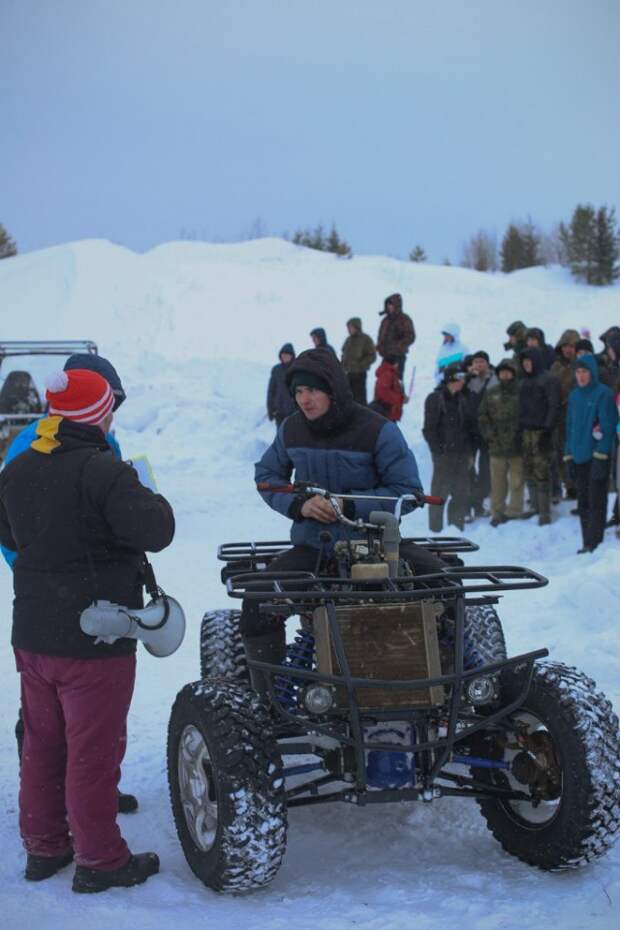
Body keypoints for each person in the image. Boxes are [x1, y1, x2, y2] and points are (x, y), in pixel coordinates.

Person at [0, 368, 175, 892]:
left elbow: (9, 532)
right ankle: (100, 859)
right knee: (92, 751)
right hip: (95, 636)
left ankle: (45, 848)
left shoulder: (18, 467)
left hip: (33, 633)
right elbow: (158, 529)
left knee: (42, 744)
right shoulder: (106, 471)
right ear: (99, 414)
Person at [243, 347, 442, 673]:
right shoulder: (291, 429)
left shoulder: (378, 430)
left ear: (332, 390)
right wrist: (299, 504)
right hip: (313, 548)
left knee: (446, 587)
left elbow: (407, 492)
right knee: (258, 602)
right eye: (299, 392)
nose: (305, 400)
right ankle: (269, 703)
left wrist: (348, 504)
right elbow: (267, 479)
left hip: (379, 547)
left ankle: (462, 685)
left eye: (313, 390)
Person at [1, 353, 137, 816]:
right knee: (50, 720)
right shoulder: (28, 445)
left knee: (97, 719)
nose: (110, 413)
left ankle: (95, 793)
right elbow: (15, 522)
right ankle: (60, 804)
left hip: (97, 591)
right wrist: (33, 567)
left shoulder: (108, 443)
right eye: (107, 401)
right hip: (52, 590)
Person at [564, 354, 617, 553]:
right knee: (583, 503)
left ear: (592, 372)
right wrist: (568, 455)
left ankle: (595, 543)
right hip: (578, 457)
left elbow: (608, 426)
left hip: (596, 458)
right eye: (578, 372)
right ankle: (587, 542)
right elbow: (569, 427)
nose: (581, 376)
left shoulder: (603, 394)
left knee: (597, 502)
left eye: (585, 371)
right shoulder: (574, 395)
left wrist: (601, 456)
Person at [423, 364, 475, 532]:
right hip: (443, 456)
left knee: (460, 493)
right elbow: (429, 429)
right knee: (438, 495)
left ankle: (456, 529)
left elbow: (468, 430)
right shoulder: (435, 399)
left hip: (461, 455)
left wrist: (469, 453)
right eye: (460, 378)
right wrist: (438, 452)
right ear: (451, 379)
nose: (463, 382)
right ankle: (435, 531)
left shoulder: (463, 400)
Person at [478, 359, 523, 525]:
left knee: (517, 481)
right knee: (497, 482)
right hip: (496, 446)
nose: (505, 374)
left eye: (508, 371)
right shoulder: (492, 392)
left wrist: (520, 435)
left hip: (517, 446)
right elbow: (482, 416)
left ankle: (514, 510)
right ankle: (497, 512)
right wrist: (489, 435)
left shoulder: (521, 392)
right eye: (502, 372)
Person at [518, 348, 561, 525]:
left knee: (542, 471)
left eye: (529, 361)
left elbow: (554, 406)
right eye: (524, 362)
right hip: (525, 431)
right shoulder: (523, 381)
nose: (526, 364)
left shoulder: (548, 379)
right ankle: (535, 506)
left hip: (542, 432)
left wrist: (547, 430)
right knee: (528, 470)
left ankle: (545, 512)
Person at [464, 351, 498, 518]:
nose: (478, 365)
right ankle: (471, 504)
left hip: (487, 432)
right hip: (470, 432)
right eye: (476, 362)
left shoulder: (494, 380)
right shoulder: (469, 380)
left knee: (486, 471)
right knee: (469, 469)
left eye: (481, 362)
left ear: (487, 363)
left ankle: (478, 502)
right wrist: (469, 378)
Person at [550, 330, 580, 499]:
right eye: (565, 346)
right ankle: (569, 485)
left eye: (571, 346)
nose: (568, 349)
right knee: (561, 451)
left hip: (579, 415)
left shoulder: (582, 365)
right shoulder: (556, 367)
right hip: (560, 416)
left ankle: (579, 484)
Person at [376, 293, 416, 380]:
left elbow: (411, 336)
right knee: (382, 381)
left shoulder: (404, 319)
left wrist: (398, 346)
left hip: (398, 357)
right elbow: (381, 336)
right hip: (386, 357)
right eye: (388, 304)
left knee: (395, 383)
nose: (389, 306)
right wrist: (379, 346)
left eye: (391, 304)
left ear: (397, 305)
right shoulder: (385, 320)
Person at [341, 317, 376, 404]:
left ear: (357, 327)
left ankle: (363, 416)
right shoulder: (348, 340)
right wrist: (342, 368)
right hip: (348, 374)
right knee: (349, 398)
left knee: (360, 399)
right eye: (348, 327)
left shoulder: (366, 339)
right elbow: (344, 355)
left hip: (360, 374)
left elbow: (372, 355)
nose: (348, 329)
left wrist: (361, 365)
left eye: (350, 327)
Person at [267, 343, 296, 426]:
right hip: (279, 413)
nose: (285, 356)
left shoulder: (296, 368)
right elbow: (271, 391)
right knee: (281, 436)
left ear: (292, 356)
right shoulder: (276, 370)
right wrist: (271, 409)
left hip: (294, 413)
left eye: (287, 354)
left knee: (294, 436)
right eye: (283, 354)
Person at [371, 355, 407, 421]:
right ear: (395, 363)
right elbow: (383, 393)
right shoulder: (387, 374)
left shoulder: (390, 373)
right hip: (385, 414)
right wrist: (400, 398)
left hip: (387, 414)